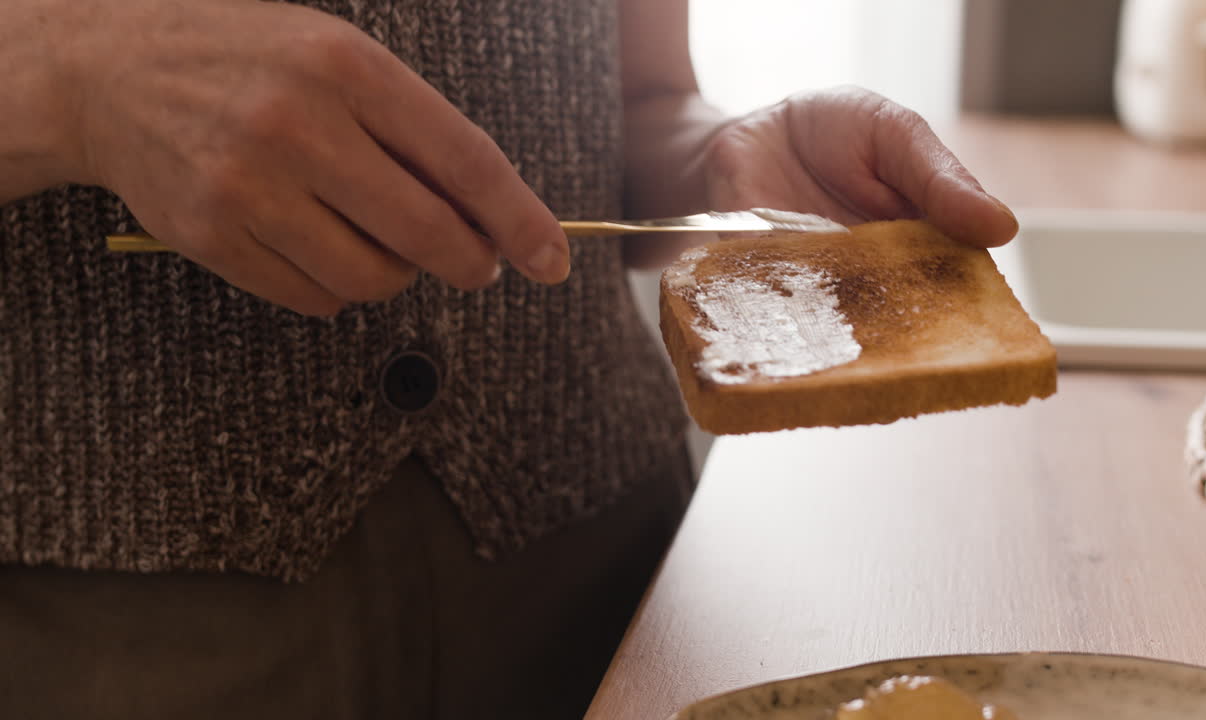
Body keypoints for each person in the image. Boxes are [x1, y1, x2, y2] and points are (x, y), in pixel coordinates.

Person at [0, 0, 1019, 717]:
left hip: (607, 576)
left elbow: (636, 101)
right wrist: (71, 76)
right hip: (102, 627)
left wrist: (719, 157)